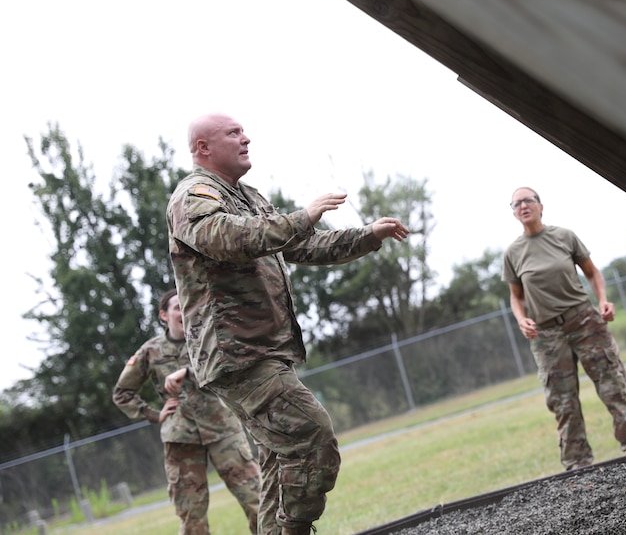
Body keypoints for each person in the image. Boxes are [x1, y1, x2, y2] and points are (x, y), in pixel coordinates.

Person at [165, 112, 410, 535]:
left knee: (280, 462)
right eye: (233, 133)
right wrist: (304, 214)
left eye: (243, 131)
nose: (246, 138)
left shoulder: (249, 196)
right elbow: (230, 238)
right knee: (313, 439)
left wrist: (367, 235)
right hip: (238, 356)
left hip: (264, 352)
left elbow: (301, 244)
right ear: (203, 148)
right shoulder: (193, 196)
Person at [502, 186, 626, 471]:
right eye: (517, 203)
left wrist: (603, 301)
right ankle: (577, 465)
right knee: (562, 401)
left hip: (584, 321)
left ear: (541, 206)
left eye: (528, 200)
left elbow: (592, 273)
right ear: (513, 212)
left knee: (613, 385)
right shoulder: (513, 252)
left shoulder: (564, 237)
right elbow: (516, 296)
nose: (523, 206)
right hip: (547, 335)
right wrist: (522, 319)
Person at [113, 288, 261, 534]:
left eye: (186, 305)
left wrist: (188, 372)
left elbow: (233, 363)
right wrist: (153, 414)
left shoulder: (209, 338)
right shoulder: (150, 351)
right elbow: (122, 393)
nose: (183, 311)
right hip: (181, 439)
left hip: (223, 430)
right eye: (176, 307)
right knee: (192, 517)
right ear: (163, 315)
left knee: (256, 499)